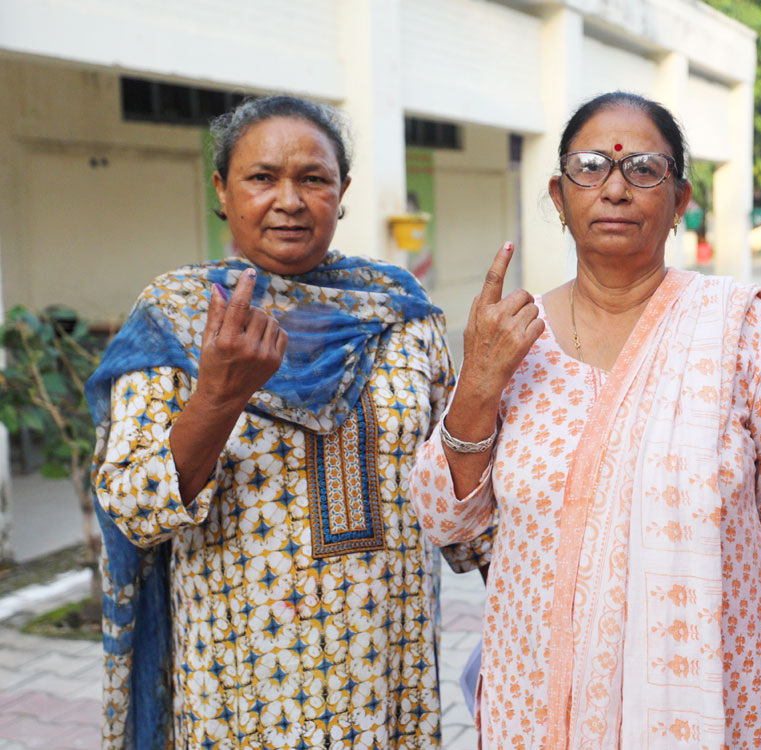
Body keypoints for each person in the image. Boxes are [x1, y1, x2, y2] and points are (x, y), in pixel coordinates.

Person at [409, 91, 761, 749]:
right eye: (591, 167)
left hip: (706, 698)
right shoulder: (513, 340)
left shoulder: (734, 326)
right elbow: (445, 519)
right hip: (537, 701)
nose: (615, 188)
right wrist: (477, 381)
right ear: (559, 197)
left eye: (644, 169)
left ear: (679, 201)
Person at [86, 95, 490, 750]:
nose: (290, 200)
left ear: (343, 191)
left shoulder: (401, 314)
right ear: (222, 188)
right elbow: (134, 510)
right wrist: (217, 395)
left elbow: (462, 509)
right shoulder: (179, 319)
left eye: (313, 178)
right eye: (262, 177)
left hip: (387, 668)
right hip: (241, 680)